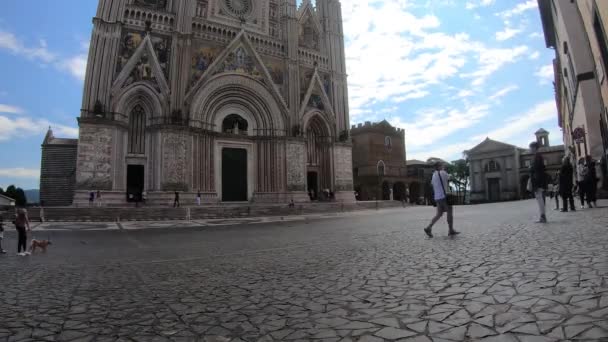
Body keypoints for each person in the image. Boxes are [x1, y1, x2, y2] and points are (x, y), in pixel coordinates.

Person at [423, 162, 460, 238]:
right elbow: (450, 178)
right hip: (444, 196)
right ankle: (451, 230)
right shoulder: (443, 173)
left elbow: (432, 185)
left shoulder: (434, 175)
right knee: (449, 212)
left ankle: (429, 227)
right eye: (443, 166)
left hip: (437, 197)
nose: (444, 167)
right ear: (439, 166)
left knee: (439, 214)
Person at [529, 142, 548, 223]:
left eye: (531, 148)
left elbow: (536, 168)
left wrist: (530, 167)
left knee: (539, 198)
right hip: (539, 179)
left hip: (537, 180)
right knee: (540, 198)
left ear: (534, 148)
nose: (530, 149)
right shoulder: (538, 156)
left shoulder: (537, 156)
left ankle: (543, 217)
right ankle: (542, 216)